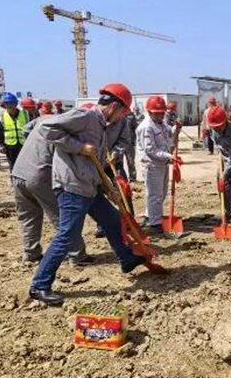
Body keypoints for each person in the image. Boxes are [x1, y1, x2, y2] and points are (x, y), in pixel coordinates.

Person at [29, 83, 161, 306]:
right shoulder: (85, 116)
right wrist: (79, 147)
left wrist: (109, 188)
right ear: (114, 106)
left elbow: (96, 163)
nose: (121, 117)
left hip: (90, 186)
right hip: (72, 186)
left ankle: (126, 259)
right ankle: (40, 285)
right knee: (67, 235)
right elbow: (46, 129)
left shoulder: (101, 126)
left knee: (112, 220)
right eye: (122, 112)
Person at [11, 105, 93, 266]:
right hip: (40, 176)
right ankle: (76, 254)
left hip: (18, 173)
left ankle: (31, 252)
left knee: (28, 216)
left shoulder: (41, 121)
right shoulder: (66, 129)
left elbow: (25, 130)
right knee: (62, 216)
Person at [136, 95, 181, 235]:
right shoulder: (146, 127)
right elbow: (150, 150)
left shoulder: (161, 123)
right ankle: (155, 224)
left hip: (162, 163)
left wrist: (176, 128)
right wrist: (169, 157)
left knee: (161, 192)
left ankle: (149, 215)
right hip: (151, 165)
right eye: (157, 113)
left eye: (162, 113)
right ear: (149, 112)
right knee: (154, 194)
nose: (161, 115)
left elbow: (169, 132)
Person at [0, 92, 28, 171]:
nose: (10, 106)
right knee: (13, 164)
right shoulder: (2, 117)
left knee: (25, 164)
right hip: (10, 145)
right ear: (5, 105)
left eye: (12, 104)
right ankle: (14, 177)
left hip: (24, 144)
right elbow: (0, 132)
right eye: (8, 104)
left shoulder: (24, 114)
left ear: (16, 104)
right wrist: (1, 145)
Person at [124, 107, 139, 182]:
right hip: (118, 143)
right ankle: (121, 180)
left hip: (129, 143)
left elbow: (136, 128)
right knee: (118, 162)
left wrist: (134, 141)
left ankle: (132, 178)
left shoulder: (131, 116)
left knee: (131, 161)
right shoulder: (117, 115)